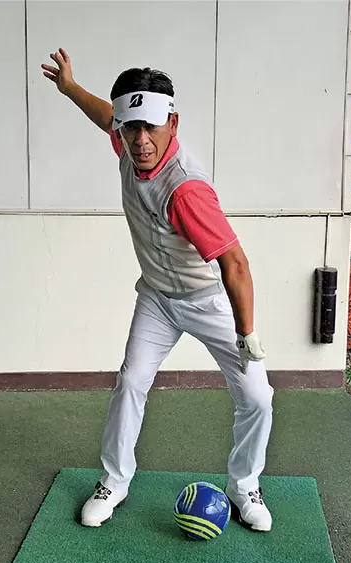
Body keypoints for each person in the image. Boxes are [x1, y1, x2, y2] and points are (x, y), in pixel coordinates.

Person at [42, 48, 274, 532]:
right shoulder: (127, 143)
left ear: (173, 122)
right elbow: (104, 115)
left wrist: (246, 333)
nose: (141, 140)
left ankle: (245, 485)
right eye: (131, 128)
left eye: (151, 127)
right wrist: (70, 88)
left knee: (257, 396)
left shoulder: (186, 191)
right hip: (156, 298)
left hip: (207, 300)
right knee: (131, 382)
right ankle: (114, 481)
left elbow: (235, 264)